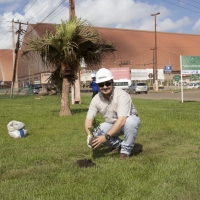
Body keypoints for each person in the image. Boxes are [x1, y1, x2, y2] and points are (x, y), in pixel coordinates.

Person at [85, 68, 140, 160]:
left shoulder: (122, 95)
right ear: (98, 86)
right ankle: (118, 145)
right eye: (101, 84)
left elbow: (122, 120)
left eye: (107, 83)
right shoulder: (96, 99)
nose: (105, 86)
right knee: (95, 131)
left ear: (112, 82)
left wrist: (105, 137)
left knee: (132, 122)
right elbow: (88, 120)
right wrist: (89, 135)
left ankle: (125, 152)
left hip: (126, 122)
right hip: (112, 123)